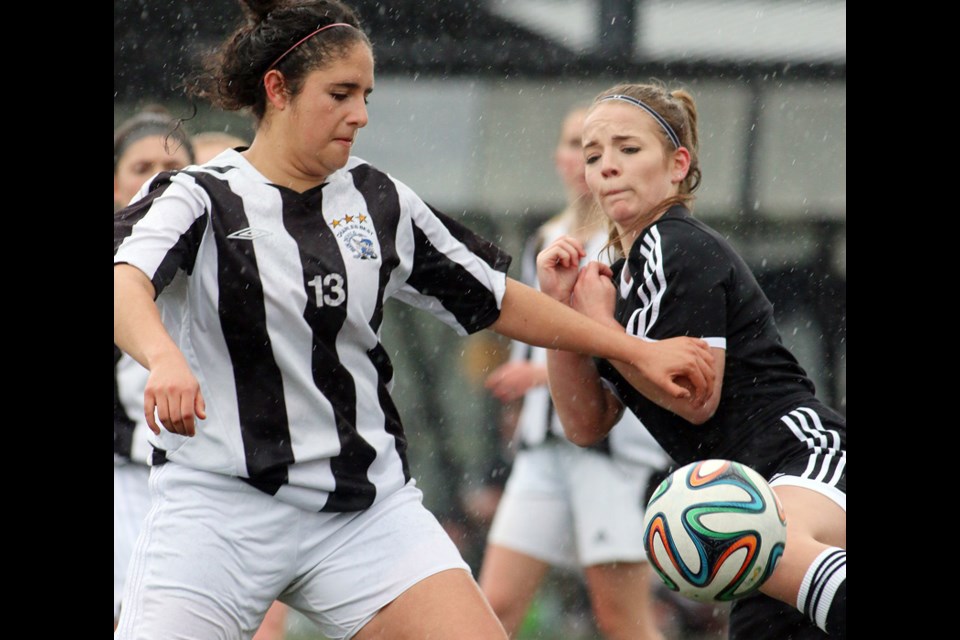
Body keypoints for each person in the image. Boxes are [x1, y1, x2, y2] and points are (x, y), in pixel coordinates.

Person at [112, 3, 716, 638]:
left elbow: (501, 298)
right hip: (218, 506)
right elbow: (124, 280)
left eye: (367, 95)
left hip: (363, 512)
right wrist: (164, 356)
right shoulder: (196, 194)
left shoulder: (380, 199)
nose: (361, 115)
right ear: (278, 90)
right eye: (341, 94)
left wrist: (632, 350)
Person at [537, 81, 846, 639]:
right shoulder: (616, 274)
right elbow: (585, 423)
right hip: (749, 481)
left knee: (743, 539)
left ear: (678, 165)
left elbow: (695, 398)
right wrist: (563, 316)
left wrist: (600, 326)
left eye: (629, 150)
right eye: (593, 154)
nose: (607, 166)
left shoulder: (671, 242)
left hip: (800, 453)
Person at [478, 105, 672, 640]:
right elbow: (535, 333)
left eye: (618, 150)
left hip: (610, 449)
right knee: (491, 607)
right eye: (580, 147)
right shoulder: (548, 237)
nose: (592, 162)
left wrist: (538, 378)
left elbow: (636, 349)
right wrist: (521, 408)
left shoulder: (636, 240)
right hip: (544, 449)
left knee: (621, 618)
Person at [113, 106, 195, 630]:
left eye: (172, 166)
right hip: (125, 477)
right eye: (141, 167)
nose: (157, 179)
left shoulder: (229, 254)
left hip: (205, 479)